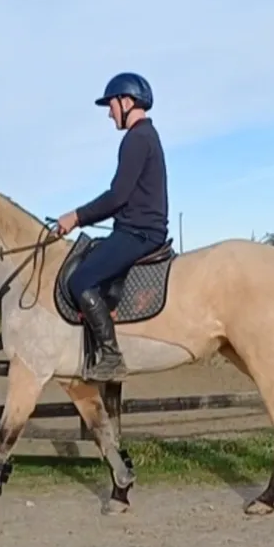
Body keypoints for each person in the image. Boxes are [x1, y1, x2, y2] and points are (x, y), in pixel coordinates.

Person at [54, 71, 169, 383]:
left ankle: (112, 355)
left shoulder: (136, 139)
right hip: (140, 228)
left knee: (80, 280)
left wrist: (75, 217)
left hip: (138, 232)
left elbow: (118, 196)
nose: (109, 113)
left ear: (127, 101)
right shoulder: (147, 136)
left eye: (111, 105)